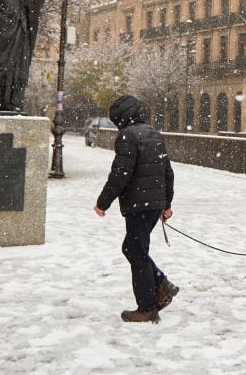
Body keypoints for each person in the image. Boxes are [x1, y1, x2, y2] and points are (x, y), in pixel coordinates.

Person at [94, 95, 179, 323]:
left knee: (135, 251)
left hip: (138, 204)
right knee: (134, 248)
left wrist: (103, 202)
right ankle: (161, 284)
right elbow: (167, 172)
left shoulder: (127, 136)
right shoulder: (153, 134)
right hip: (153, 204)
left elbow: (121, 173)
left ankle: (148, 305)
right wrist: (166, 204)